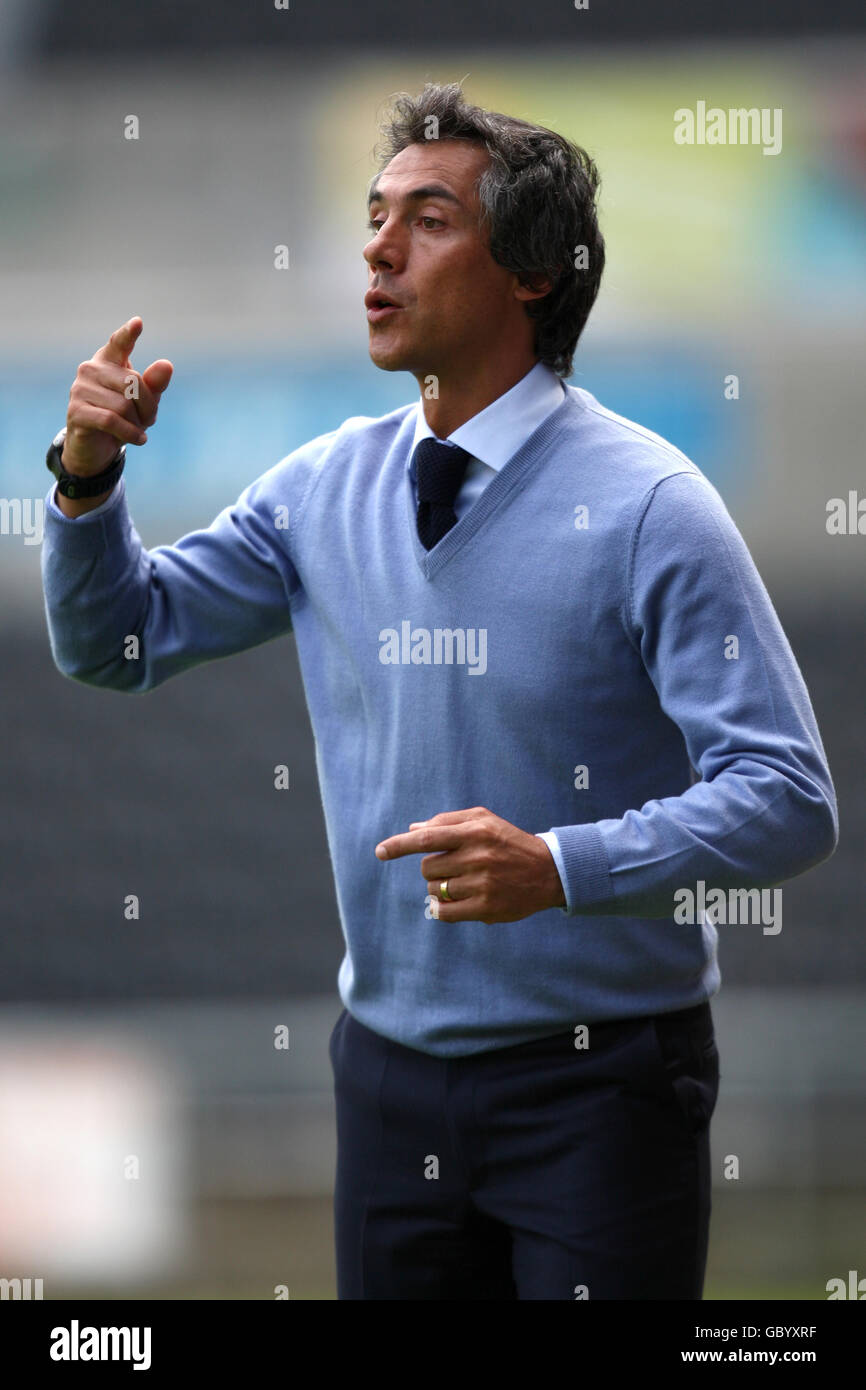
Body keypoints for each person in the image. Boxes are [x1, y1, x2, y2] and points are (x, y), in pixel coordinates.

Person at [41, 81, 837, 1300]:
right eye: (373, 216)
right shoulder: (318, 486)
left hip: (600, 1089)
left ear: (529, 272)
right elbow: (119, 643)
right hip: (387, 1083)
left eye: (427, 218)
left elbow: (787, 797)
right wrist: (87, 486)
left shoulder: (649, 507)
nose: (378, 244)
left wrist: (559, 867)